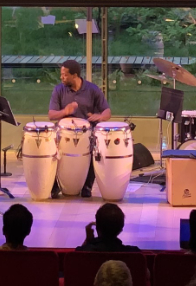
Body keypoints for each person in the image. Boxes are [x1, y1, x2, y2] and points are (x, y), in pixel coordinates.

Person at [49, 59, 111, 198]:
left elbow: (107, 112)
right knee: (51, 150)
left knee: (97, 147)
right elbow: (51, 115)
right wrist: (65, 111)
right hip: (64, 134)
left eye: (65, 75)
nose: (61, 77)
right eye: (61, 74)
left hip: (86, 134)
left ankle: (87, 186)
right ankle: (55, 185)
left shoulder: (92, 89)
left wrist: (100, 116)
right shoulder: (59, 90)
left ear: (74, 75)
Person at [76, 203, 140, 252]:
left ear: (97, 228)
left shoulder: (85, 250)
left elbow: (79, 256)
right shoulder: (134, 253)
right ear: (121, 229)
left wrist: (88, 240)